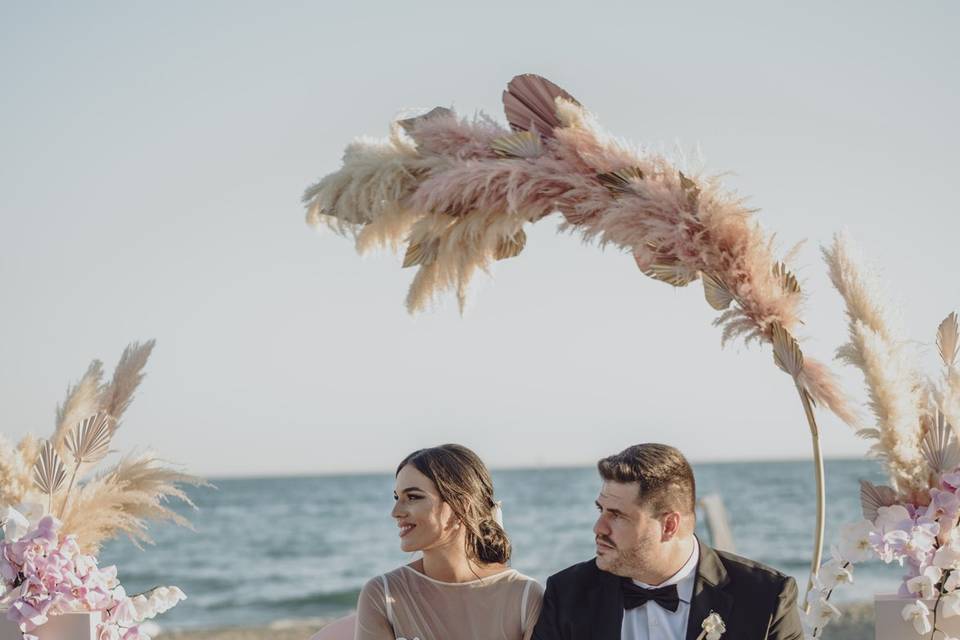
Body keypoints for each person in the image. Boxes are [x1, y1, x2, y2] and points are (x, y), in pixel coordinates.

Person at [532, 443, 803, 640]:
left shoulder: (766, 598)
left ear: (669, 525)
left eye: (616, 516)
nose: (599, 528)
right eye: (600, 510)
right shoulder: (567, 594)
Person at [355, 444, 543, 640]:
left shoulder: (524, 597)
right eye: (396, 497)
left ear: (460, 507)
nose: (395, 512)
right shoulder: (382, 594)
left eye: (412, 497)